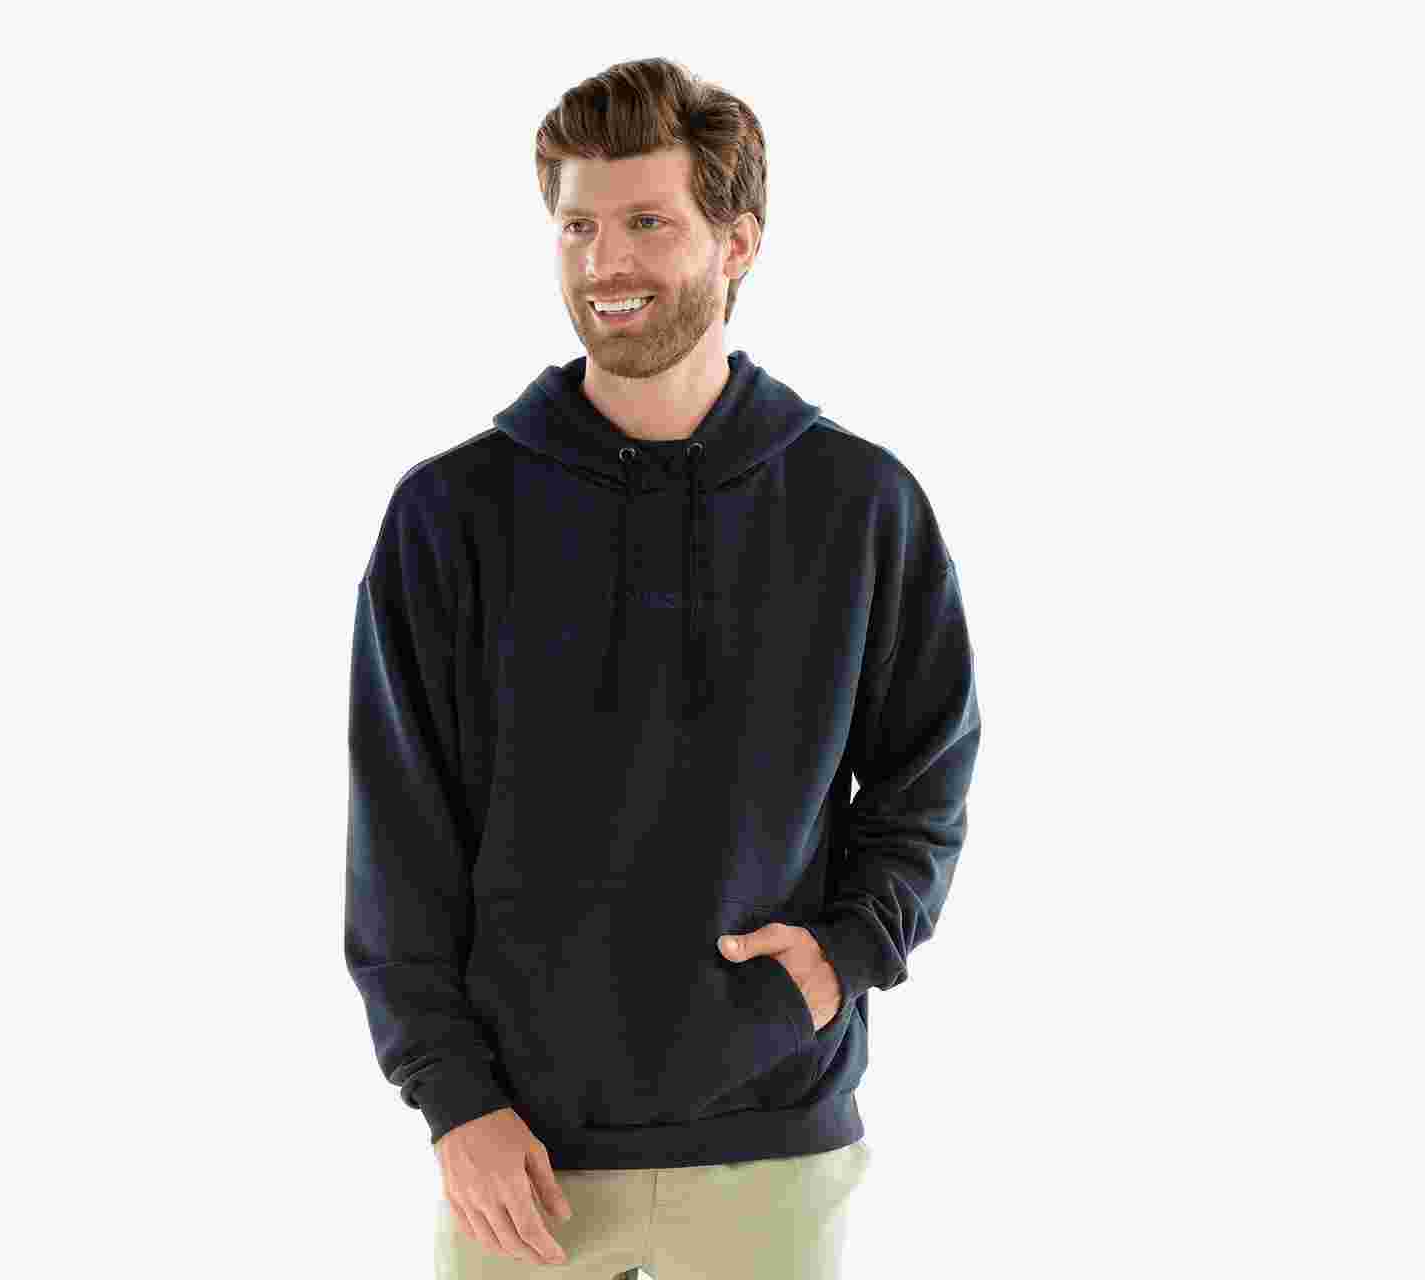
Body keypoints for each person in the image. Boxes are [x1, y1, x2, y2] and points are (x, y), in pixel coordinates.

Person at [345, 56, 982, 1278]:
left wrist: (847, 951)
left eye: (647, 222)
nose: (605, 262)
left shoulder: (859, 502)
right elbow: (398, 838)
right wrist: (454, 1097)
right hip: (518, 1151)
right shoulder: (448, 514)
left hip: (773, 1140)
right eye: (578, 226)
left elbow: (929, 771)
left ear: (737, 244)